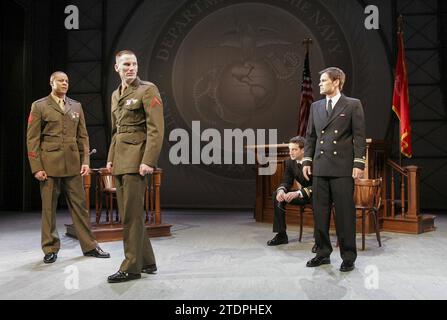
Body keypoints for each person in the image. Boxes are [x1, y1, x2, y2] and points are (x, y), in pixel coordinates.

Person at [26, 71, 110, 264]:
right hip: (49, 166)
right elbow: (32, 139)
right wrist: (36, 167)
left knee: (80, 208)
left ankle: (90, 246)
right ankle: (50, 248)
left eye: (66, 81)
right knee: (49, 209)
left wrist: (86, 162)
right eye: (60, 81)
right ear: (51, 82)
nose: (64, 83)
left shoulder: (76, 106)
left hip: (73, 166)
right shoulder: (39, 106)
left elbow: (83, 137)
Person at [106, 50, 165, 283]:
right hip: (120, 159)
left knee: (130, 217)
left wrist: (148, 161)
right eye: (126, 64)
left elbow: (156, 129)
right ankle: (148, 262)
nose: (131, 68)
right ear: (117, 68)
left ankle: (131, 267)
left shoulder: (147, 90)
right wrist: (110, 157)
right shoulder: (115, 94)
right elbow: (116, 130)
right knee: (131, 215)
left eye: (134, 64)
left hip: (136, 160)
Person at [302, 67, 366, 272]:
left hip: (342, 168)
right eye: (320, 81)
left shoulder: (352, 104)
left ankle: (348, 256)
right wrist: (306, 160)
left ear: (336, 81)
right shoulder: (315, 106)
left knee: (345, 215)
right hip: (320, 167)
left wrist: (358, 163)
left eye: (323, 80)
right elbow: (310, 136)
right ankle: (322, 253)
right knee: (320, 214)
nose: (319, 84)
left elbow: (359, 136)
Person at [267, 136, 317, 252]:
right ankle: (281, 235)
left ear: (303, 150)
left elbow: (319, 185)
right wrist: (282, 190)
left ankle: (320, 241)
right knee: (277, 195)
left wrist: (299, 193)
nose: (290, 152)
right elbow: (286, 180)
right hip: (304, 195)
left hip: (318, 194)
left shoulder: (314, 161)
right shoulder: (290, 162)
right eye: (290, 149)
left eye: (294, 149)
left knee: (317, 199)